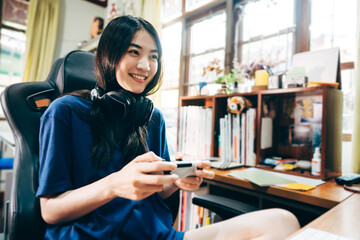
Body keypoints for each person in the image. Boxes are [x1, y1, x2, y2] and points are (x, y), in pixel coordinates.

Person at [36, 15, 300, 240]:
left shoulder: (152, 118)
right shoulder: (64, 112)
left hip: (157, 235)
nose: (145, 66)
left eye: (154, 56)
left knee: (283, 221)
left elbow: (156, 195)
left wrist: (174, 182)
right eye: (134, 52)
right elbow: (51, 210)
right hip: (92, 235)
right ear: (108, 55)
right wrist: (115, 184)